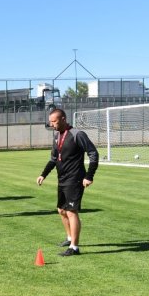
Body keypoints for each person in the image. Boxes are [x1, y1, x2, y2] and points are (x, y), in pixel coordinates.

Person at [37, 109, 99, 256]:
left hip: (75, 178)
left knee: (71, 212)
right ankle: (70, 237)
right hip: (62, 179)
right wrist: (43, 174)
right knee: (61, 210)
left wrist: (89, 176)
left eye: (54, 121)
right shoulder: (57, 136)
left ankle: (74, 247)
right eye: (50, 121)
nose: (51, 124)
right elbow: (53, 159)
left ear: (63, 119)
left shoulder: (78, 134)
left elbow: (93, 153)